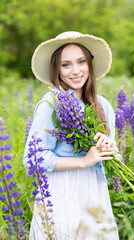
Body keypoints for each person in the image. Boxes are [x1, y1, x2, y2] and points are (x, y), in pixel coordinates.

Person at [23, 31, 119, 240]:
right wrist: (84, 161)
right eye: (66, 64)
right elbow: (32, 158)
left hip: (94, 193)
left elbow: (116, 156)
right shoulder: (51, 104)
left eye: (81, 61)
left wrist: (109, 149)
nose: (75, 71)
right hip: (61, 194)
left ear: (90, 64)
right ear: (56, 69)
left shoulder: (104, 105)